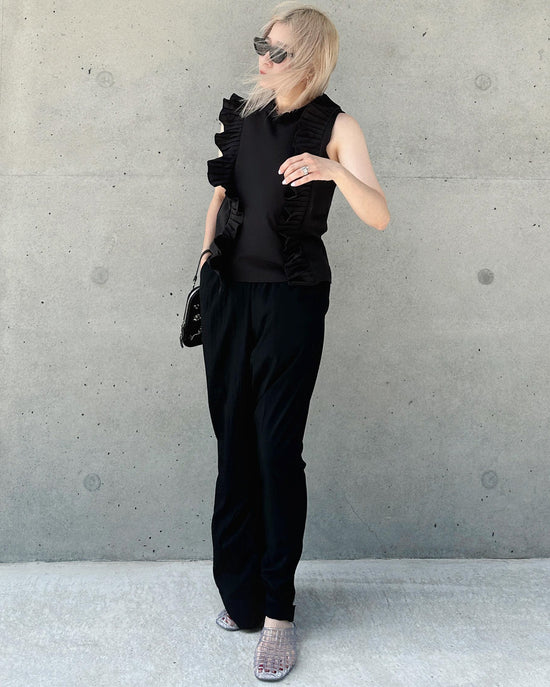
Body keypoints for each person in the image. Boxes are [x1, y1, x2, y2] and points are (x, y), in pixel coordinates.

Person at [198, 2, 389, 681]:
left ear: (308, 57)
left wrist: (334, 171)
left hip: (291, 300)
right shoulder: (244, 116)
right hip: (229, 295)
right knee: (233, 444)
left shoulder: (335, 126)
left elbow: (378, 213)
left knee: (276, 450)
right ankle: (243, 595)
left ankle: (278, 610)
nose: (263, 58)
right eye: (262, 44)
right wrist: (203, 264)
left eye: (276, 50)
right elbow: (222, 197)